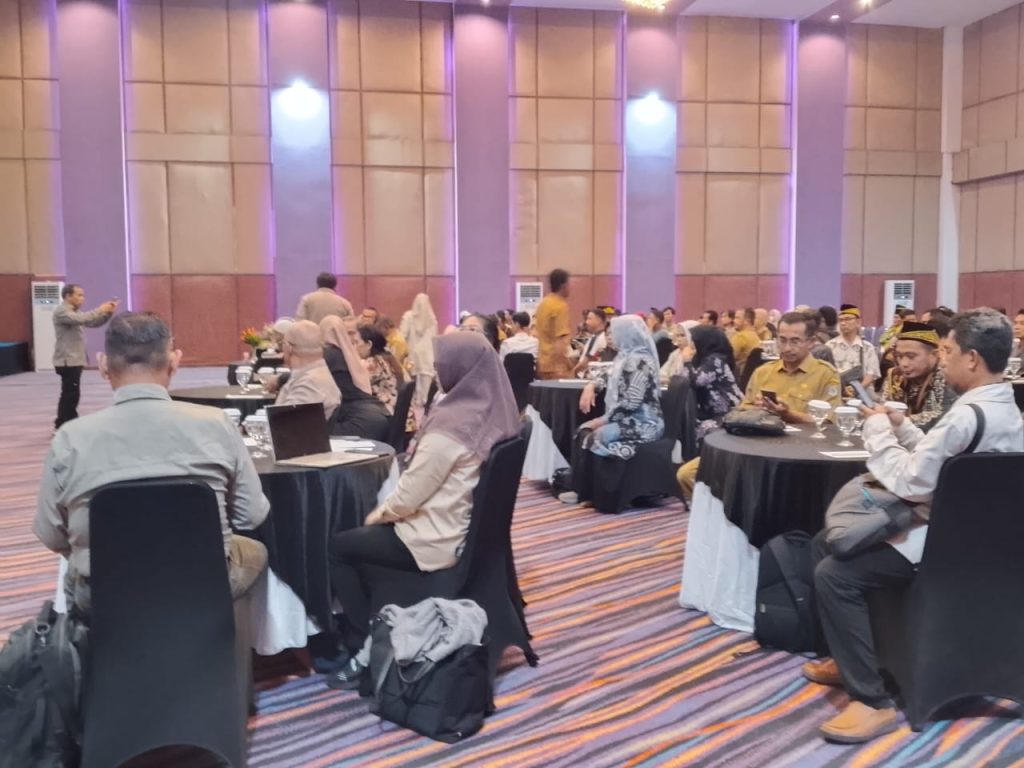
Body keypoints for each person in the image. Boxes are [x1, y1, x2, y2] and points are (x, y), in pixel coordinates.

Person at [803, 309, 1024, 744]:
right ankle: (850, 658)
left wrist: (877, 429)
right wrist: (903, 429)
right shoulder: (1005, 410)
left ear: (972, 358)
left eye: (947, 350)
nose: (943, 359)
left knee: (834, 573)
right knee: (823, 544)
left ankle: (872, 699)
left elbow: (910, 481)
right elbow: (945, 466)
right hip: (985, 544)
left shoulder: (965, 415)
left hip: (940, 546)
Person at [34, 312, 269, 616]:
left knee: (76, 574)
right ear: (174, 361)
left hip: (105, 591)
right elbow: (251, 515)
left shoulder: (70, 438)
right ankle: (223, 641)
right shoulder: (217, 425)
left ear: (103, 365)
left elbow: (51, 534)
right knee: (254, 553)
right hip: (200, 580)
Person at [324, 331, 520, 687]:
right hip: (460, 526)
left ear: (458, 367)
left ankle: (366, 639)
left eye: (441, 363)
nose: (436, 370)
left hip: (431, 538)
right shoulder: (492, 408)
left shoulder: (451, 427)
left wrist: (376, 516)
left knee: (339, 546)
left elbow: (407, 500)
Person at [560, 315, 665, 505]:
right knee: (583, 430)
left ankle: (603, 497)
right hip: (627, 419)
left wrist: (603, 420)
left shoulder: (639, 362)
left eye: (614, 333)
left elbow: (631, 402)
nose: (611, 337)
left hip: (644, 423)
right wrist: (592, 385)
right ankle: (585, 491)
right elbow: (607, 376)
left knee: (596, 435)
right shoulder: (624, 357)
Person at [674, 326, 744, 501]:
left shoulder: (716, 360)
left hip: (730, 412)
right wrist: (687, 362)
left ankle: (707, 482)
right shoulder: (702, 358)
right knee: (686, 426)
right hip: (709, 412)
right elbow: (683, 380)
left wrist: (687, 362)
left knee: (703, 429)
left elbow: (697, 381)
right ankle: (695, 481)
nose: (691, 344)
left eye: (693, 340)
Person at [741, 311, 842, 423]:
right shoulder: (762, 372)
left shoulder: (826, 375)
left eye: (795, 342)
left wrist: (788, 415)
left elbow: (829, 421)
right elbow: (744, 410)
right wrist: (759, 409)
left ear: (811, 342)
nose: (787, 348)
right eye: (782, 340)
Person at [52, 284, 118, 430]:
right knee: (69, 394)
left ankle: (69, 421)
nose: (82, 298)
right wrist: (100, 309)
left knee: (73, 393)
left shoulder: (75, 312)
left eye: (83, 295)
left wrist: (107, 314)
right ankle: (62, 424)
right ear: (68, 296)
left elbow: (93, 322)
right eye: (79, 295)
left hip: (74, 359)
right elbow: (82, 318)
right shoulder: (62, 311)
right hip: (67, 360)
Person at [320, 316, 390, 440]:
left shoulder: (329, 355)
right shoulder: (349, 353)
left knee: (313, 435)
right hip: (378, 414)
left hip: (359, 421)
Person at [880, 321, 955, 432]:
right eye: (899, 356)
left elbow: (941, 417)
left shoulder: (947, 376)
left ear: (934, 355)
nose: (903, 363)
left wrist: (901, 421)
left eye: (911, 356)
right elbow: (884, 408)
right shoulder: (895, 375)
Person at [276, 320, 341, 420]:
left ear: (289, 348)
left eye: (282, 344)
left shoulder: (309, 384)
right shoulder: (317, 374)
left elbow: (284, 424)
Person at [826, 304, 881, 393]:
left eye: (848, 319)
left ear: (858, 322)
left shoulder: (867, 347)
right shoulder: (830, 346)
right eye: (841, 320)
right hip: (837, 391)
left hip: (862, 392)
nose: (843, 323)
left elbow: (871, 374)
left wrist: (857, 389)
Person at [357, 324, 407, 417]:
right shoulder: (387, 357)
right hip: (400, 414)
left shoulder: (373, 364)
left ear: (368, 345)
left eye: (356, 342)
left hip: (387, 414)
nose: (353, 347)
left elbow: (353, 384)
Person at [400, 293, 438, 407]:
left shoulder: (408, 317)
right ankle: (424, 407)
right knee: (426, 387)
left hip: (412, 356)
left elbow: (402, 335)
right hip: (427, 357)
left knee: (411, 382)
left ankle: (413, 406)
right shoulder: (432, 320)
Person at [535, 269, 573, 380]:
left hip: (543, 363)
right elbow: (560, 339)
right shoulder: (560, 306)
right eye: (569, 284)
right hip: (557, 366)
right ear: (563, 285)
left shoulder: (543, 304)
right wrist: (567, 365)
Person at [730, 307, 762, 372]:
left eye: (737, 318)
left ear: (747, 321)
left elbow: (728, 358)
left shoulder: (740, 337)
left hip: (740, 374)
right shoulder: (755, 336)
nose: (733, 321)